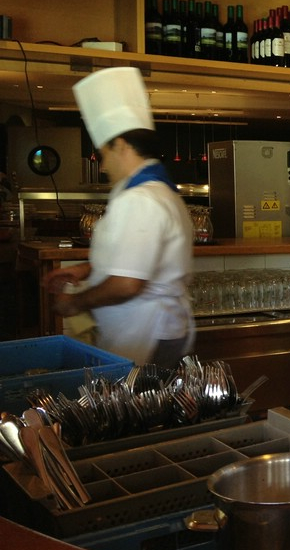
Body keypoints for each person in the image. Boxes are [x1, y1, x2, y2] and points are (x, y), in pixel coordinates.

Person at [43, 66, 195, 366]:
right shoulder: (160, 192)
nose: (102, 166)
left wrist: (75, 303)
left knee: (141, 398)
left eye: (103, 154)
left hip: (144, 335)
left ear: (121, 146)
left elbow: (127, 284)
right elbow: (140, 257)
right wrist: (87, 269)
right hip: (155, 331)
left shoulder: (140, 199)